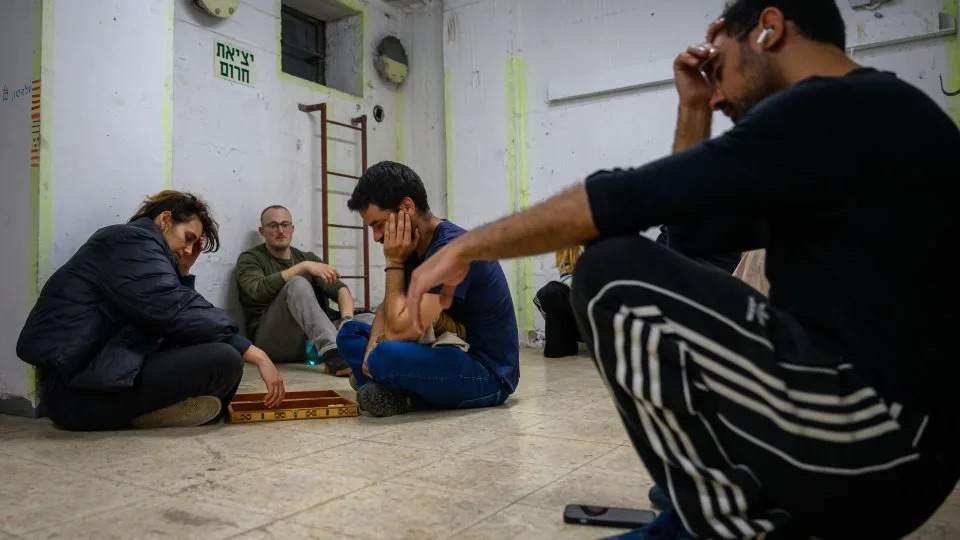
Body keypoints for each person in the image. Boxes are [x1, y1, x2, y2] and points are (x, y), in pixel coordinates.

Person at [402, 1, 960, 537]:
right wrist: (691, 106)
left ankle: (716, 531)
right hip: (898, 455)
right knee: (643, 270)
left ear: (767, 30)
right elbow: (689, 236)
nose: (718, 97)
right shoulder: (860, 122)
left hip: (874, 444)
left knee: (610, 272)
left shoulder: (832, 107)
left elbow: (622, 198)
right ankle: (706, 512)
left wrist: (464, 247)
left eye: (719, 66)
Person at [17, 191, 285, 431]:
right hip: (74, 395)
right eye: (187, 238)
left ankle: (151, 412)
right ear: (165, 220)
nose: (189, 249)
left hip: (101, 376)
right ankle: (145, 413)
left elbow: (177, 316)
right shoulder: (129, 241)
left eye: (196, 246)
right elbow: (172, 308)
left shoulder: (142, 250)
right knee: (225, 359)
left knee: (220, 358)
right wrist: (255, 352)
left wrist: (184, 270)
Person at [337, 161, 519, 417]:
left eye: (379, 224)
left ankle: (394, 390)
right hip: (438, 348)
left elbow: (399, 333)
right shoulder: (414, 244)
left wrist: (394, 262)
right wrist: (370, 349)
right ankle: (391, 386)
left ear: (406, 207)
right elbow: (386, 310)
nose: (377, 237)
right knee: (350, 333)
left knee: (386, 354)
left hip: (485, 374)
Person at [236, 205, 367, 377]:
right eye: (273, 226)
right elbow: (258, 290)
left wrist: (347, 319)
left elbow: (340, 289)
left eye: (285, 225)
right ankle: (335, 354)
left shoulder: (307, 258)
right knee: (297, 283)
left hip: (310, 341)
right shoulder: (250, 259)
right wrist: (302, 268)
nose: (281, 231)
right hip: (274, 342)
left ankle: (368, 357)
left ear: (292, 229)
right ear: (262, 231)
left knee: (369, 319)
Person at [533, 247, 584, 358]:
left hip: (602, 316)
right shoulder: (569, 247)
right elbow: (568, 280)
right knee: (551, 291)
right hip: (580, 309)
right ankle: (564, 341)